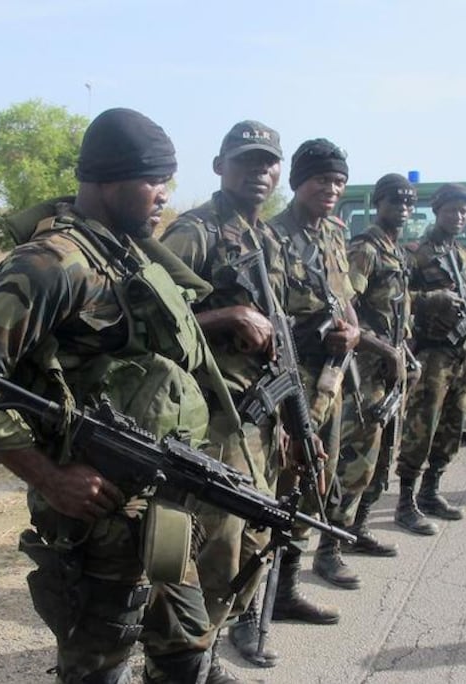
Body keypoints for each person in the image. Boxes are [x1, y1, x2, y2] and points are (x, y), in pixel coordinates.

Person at [0, 108, 220, 683]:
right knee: (96, 666)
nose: (164, 195)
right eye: (154, 180)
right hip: (90, 509)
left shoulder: (124, 250)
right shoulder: (54, 264)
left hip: (155, 497)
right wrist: (48, 477)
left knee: (185, 650)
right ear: (110, 179)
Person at [159, 120, 288, 676]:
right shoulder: (195, 232)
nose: (258, 172)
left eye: (266, 163)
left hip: (262, 415)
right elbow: (147, 315)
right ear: (219, 166)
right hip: (214, 418)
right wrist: (228, 315)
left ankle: (206, 648)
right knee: (218, 543)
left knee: (257, 536)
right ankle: (184, 659)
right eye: (245, 161)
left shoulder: (268, 237)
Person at [268, 138, 362, 623]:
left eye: (338, 181)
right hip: (292, 382)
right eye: (322, 179)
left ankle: (285, 591)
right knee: (281, 484)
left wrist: (354, 327)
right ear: (298, 182)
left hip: (331, 378)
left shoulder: (333, 234)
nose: (331, 188)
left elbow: (344, 295)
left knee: (314, 483)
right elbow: (269, 318)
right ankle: (250, 611)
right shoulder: (271, 237)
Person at [317, 173, 415, 583]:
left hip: (390, 370)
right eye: (396, 200)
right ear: (379, 204)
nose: (404, 207)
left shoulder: (396, 251)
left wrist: (403, 350)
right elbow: (344, 311)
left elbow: (396, 313)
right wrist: (385, 350)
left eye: (409, 201)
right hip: (364, 373)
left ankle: (359, 530)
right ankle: (329, 549)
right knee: (354, 464)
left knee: (381, 458)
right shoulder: (366, 251)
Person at [395, 183, 466, 535]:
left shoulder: (461, 256)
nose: (458, 217)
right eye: (451, 210)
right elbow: (397, 299)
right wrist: (432, 298)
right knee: (421, 427)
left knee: (451, 426)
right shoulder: (416, 254)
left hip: (460, 354)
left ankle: (431, 490)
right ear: (436, 211)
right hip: (431, 354)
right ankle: (405, 501)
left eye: (463, 212)